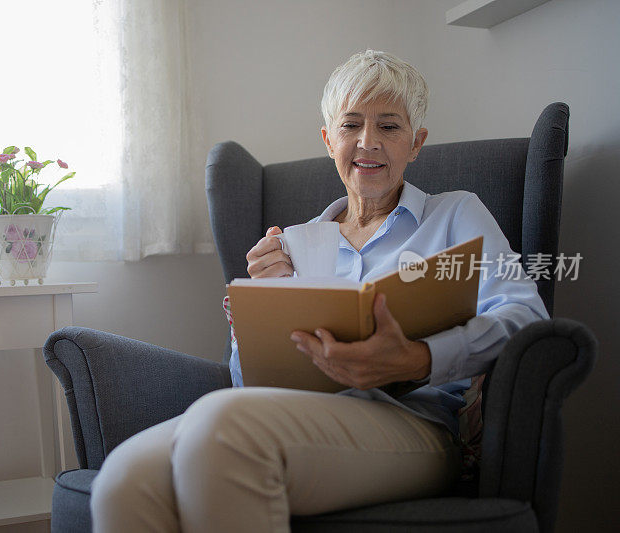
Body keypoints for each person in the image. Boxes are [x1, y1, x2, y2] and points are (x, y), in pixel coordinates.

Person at [90, 50, 548, 533]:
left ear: (416, 143)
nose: (367, 142)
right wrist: (252, 319)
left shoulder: (455, 215)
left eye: (389, 127)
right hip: (293, 413)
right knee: (124, 478)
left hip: (416, 424)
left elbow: (527, 316)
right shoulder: (292, 245)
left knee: (222, 428)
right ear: (330, 140)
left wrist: (419, 358)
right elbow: (249, 387)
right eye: (351, 126)